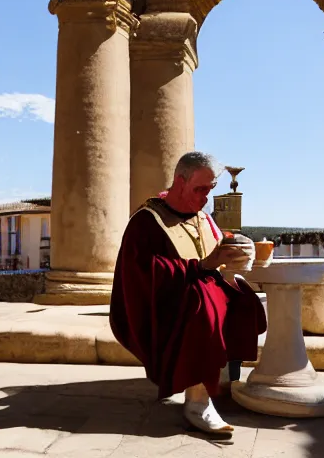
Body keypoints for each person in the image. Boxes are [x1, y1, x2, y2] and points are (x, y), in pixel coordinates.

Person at [109, 151, 267, 435]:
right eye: (200, 189)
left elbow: (219, 246)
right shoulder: (147, 221)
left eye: (210, 190)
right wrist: (201, 266)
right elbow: (143, 271)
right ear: (179, 181)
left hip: (202, 290)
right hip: (166, 304)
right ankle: (198, 401)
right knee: (203, 305)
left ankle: (222, 383)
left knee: (243, 299)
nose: (206, 197)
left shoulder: (203, 218)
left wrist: (240, 250)